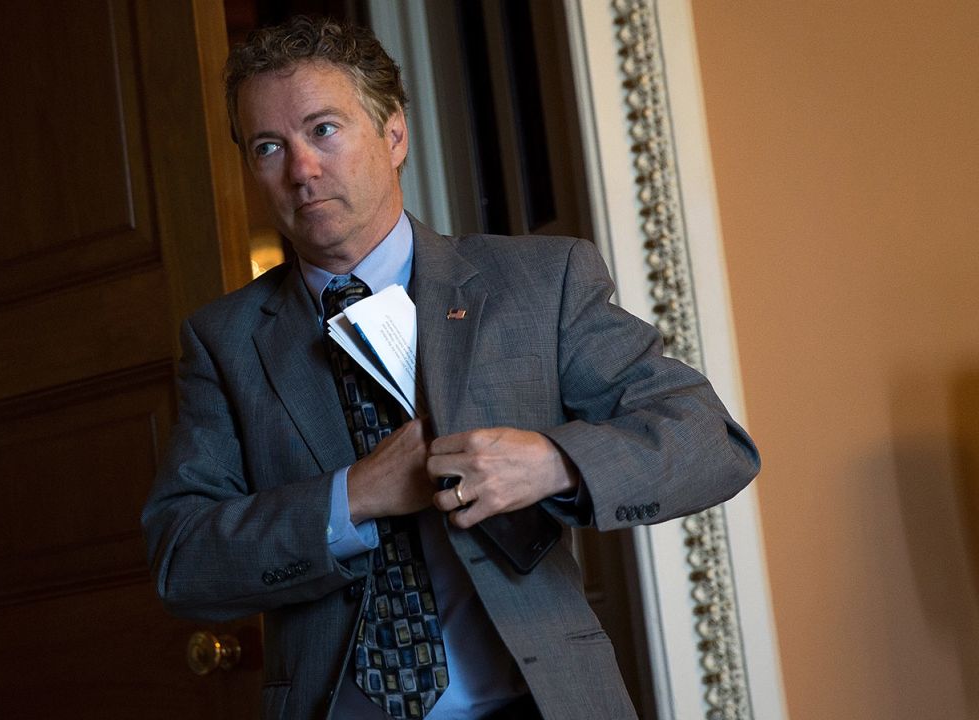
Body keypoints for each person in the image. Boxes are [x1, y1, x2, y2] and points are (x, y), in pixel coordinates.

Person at [141, 15, 758, 720]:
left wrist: (553, 462)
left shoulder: (539, 282)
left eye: (324, 130)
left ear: (394, 133)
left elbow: (710, 440)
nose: (302, 170)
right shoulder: (223, 341)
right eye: (269, 146)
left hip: (542, 702)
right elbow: (180, 562)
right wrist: (353, 497)